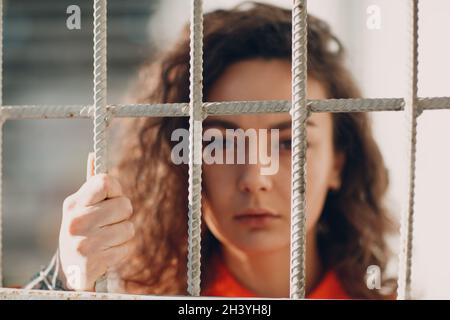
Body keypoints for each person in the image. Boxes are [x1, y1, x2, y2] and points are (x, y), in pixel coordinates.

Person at [26, 2, 397, 299]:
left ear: (337, 162)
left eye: (288, 143)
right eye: (220, 143)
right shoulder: (135, 295)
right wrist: (64, 280)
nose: (255, 178)